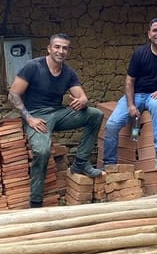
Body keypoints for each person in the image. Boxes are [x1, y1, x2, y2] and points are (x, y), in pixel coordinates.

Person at [8, 33, 104, 207]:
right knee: (42, 151)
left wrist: (82, 101)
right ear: (49, 48)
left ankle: (80, 163)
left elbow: (82, 95)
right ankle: (36, 201)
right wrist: (29, 119)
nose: (61, 51)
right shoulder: (33, 67)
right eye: (57, 47)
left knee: (95, 114)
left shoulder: (68, 72)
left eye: (65, 48)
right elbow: (13, 94)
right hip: (36, 116)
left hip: (59, 114)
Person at [101, 17, 157, 170]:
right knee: (112, 124)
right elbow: (129, 80)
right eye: (155, 30)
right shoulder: (140, 53)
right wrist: (130, 104)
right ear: (149, 34)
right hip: (137, 95)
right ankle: (109, 163)